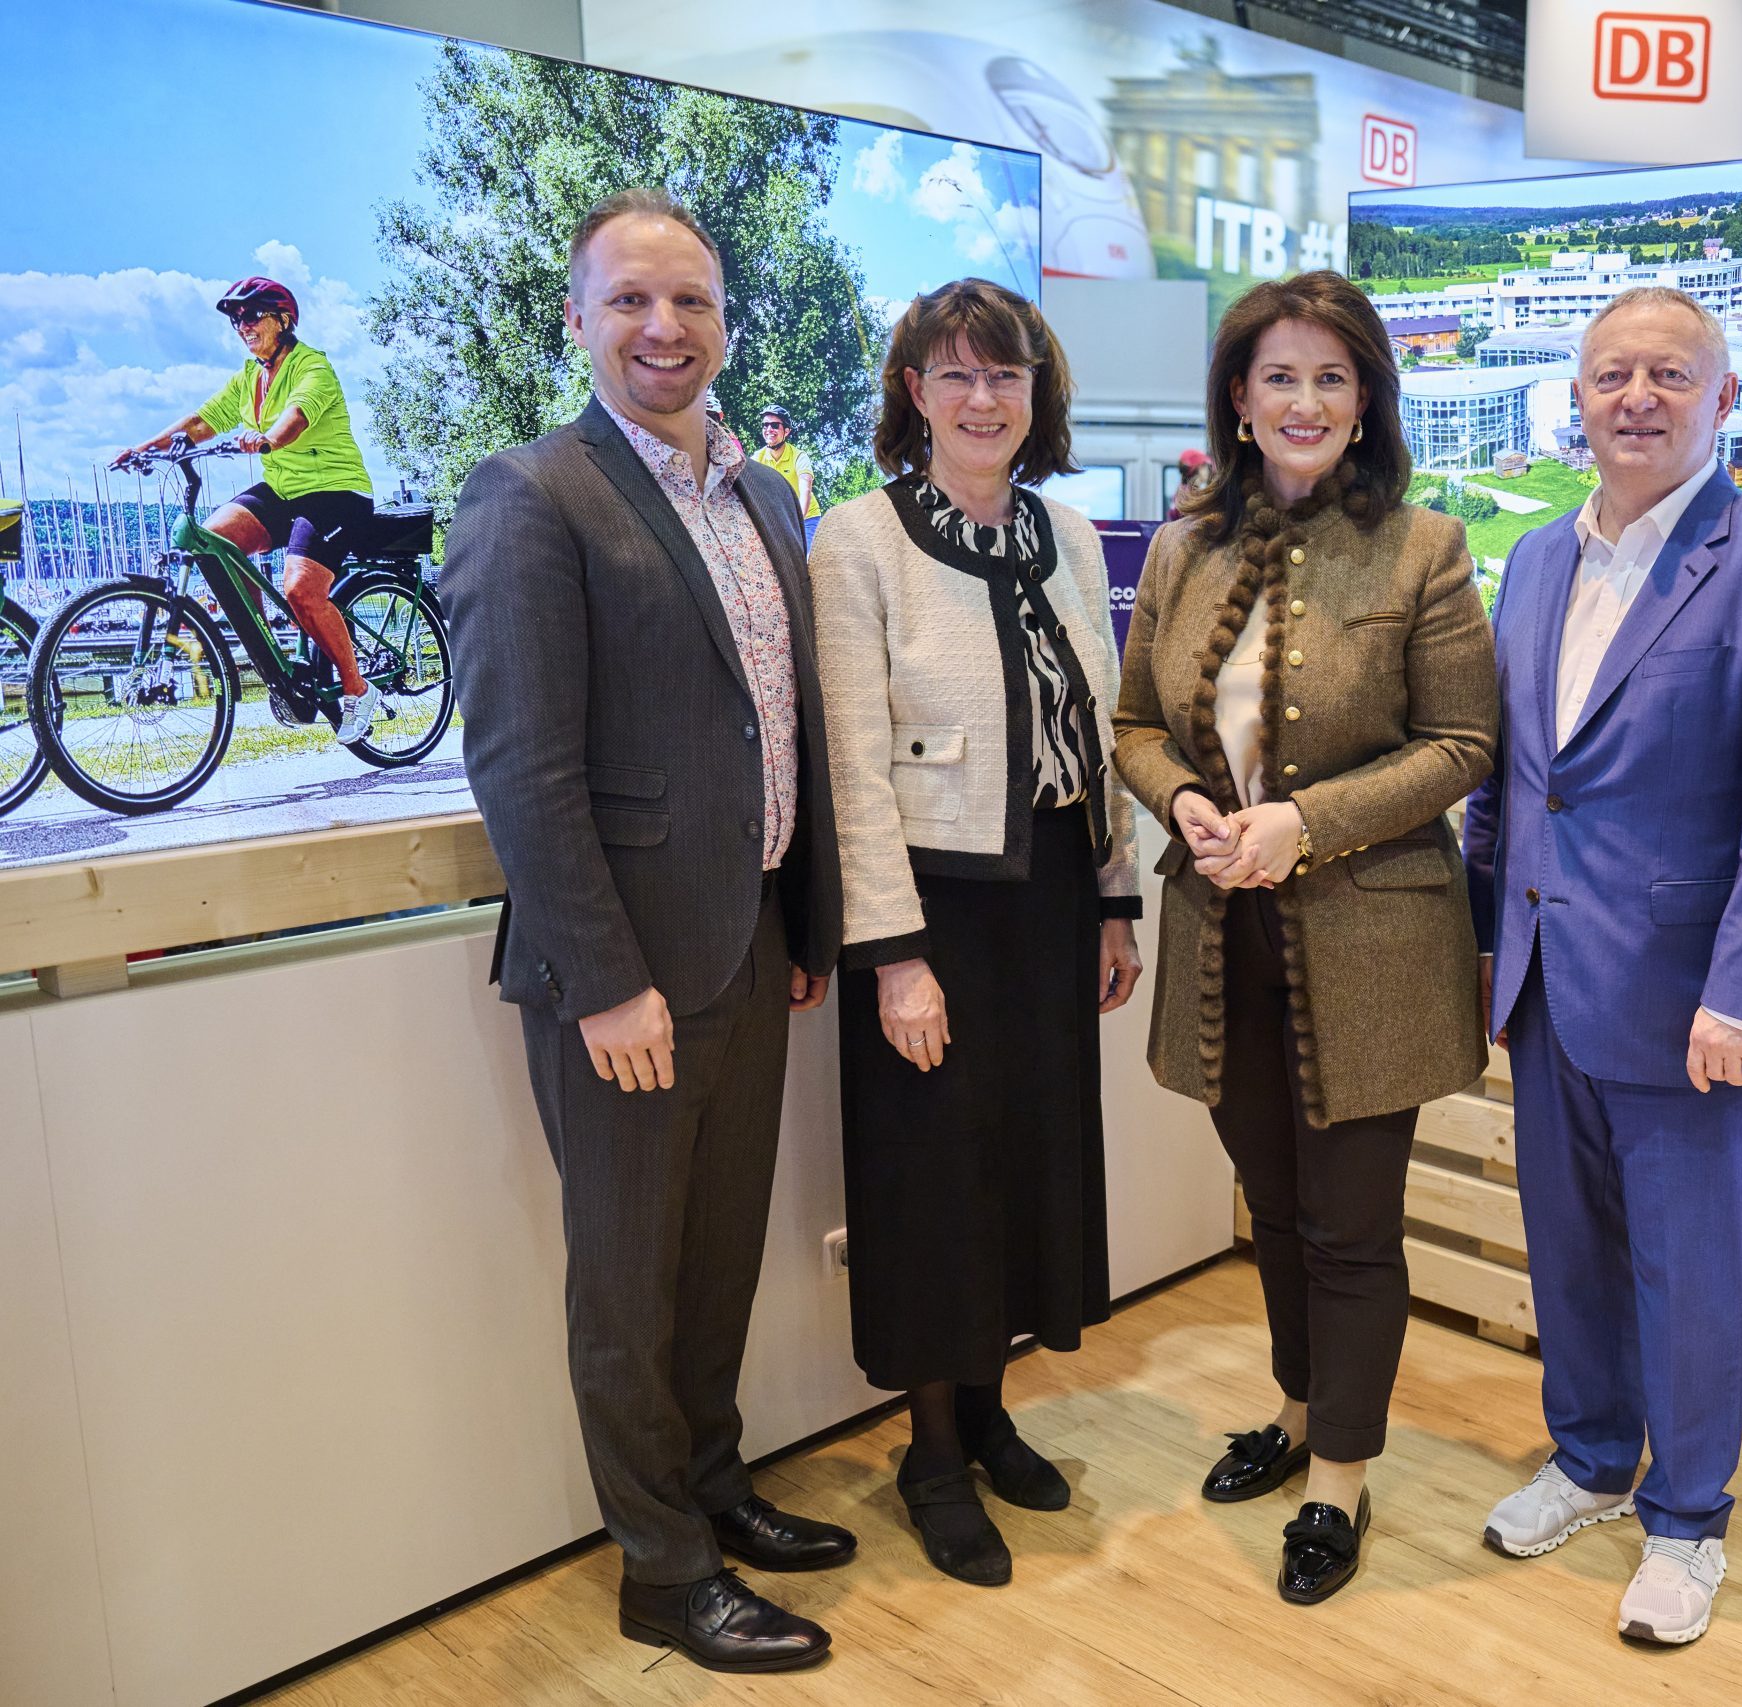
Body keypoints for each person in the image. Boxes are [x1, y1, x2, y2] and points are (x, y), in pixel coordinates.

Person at [441, 189, 850, 1674]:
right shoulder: (529, 495)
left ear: (726, 318)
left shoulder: (762, 496)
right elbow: (523, 769)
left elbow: (775, 720)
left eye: (690, 301)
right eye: (629, 300)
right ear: (578, 319)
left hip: (748, 946)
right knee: (625, 1277)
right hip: (620, 982)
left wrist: (801, 916)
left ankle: (716, 1485)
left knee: (717, 1256)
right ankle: (663, 1570)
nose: (664, 328)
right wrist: (607, 982)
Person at [1462, 286, 1742, 1646]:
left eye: (1669, 374)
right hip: (1540, 981)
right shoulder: (1528, 562)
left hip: (1695, 1004)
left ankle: (1689, 1519)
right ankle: (1588, 1461)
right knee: (1569, 1252)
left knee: (1689, 1271)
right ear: (1574, 398)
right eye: (1611, 374)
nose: (1637, 396)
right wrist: (1481, 943)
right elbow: (1515, 783)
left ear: (1723, 399)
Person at [1114, 270, 1496, 1605]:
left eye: (1333, 377)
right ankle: (1292, 1410)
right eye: (1280, 375)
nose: (1305, 400)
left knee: (1349, 1224)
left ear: (1367, 399)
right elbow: (1133, 726)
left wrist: (1303, 822)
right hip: (1225, 935)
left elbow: (1464, 743)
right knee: (1270, 1205)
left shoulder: (1424, 547)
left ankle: (1341, 1469)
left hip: (1369, 942)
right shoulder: (1179, 548)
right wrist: (1187, 802)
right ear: (1238, 397)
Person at [806, 278, 1143, 1589]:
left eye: (1005, 375)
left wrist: (1116, 898)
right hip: (935, 908)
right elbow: (852, 767)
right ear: (913, 393)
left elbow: (1096, 728)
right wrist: (894, 953)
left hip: (1050, 891)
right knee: (932, 1180)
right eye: (955, 375)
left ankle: (992, 1407)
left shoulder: (1065, 531)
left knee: (1022, 1163)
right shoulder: (862, 539)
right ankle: (932, 1449)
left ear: (1036, 394)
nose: (983, 397)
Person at [121, 276, 384, 744]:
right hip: (284, 490)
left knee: (302, 589)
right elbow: (202, 422)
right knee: (215, 542)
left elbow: (295, 420)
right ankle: (271, 657)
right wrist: (144, 448)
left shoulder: (312, 368)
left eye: (251, 315)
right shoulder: (249, 378)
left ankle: (356, 689)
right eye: (236, 320)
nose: (243, 326)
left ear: (283, 320)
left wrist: (267, 438)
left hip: (335, 492)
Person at [754, 405, 822, 550]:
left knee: (808, 560)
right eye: (765, 425)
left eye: (774, 425)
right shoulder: (757, 458)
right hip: (777, 522)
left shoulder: (799, 456)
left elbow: (806, 490)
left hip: (807, 519)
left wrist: (798, 523)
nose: (769, 429)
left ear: (786, 431)